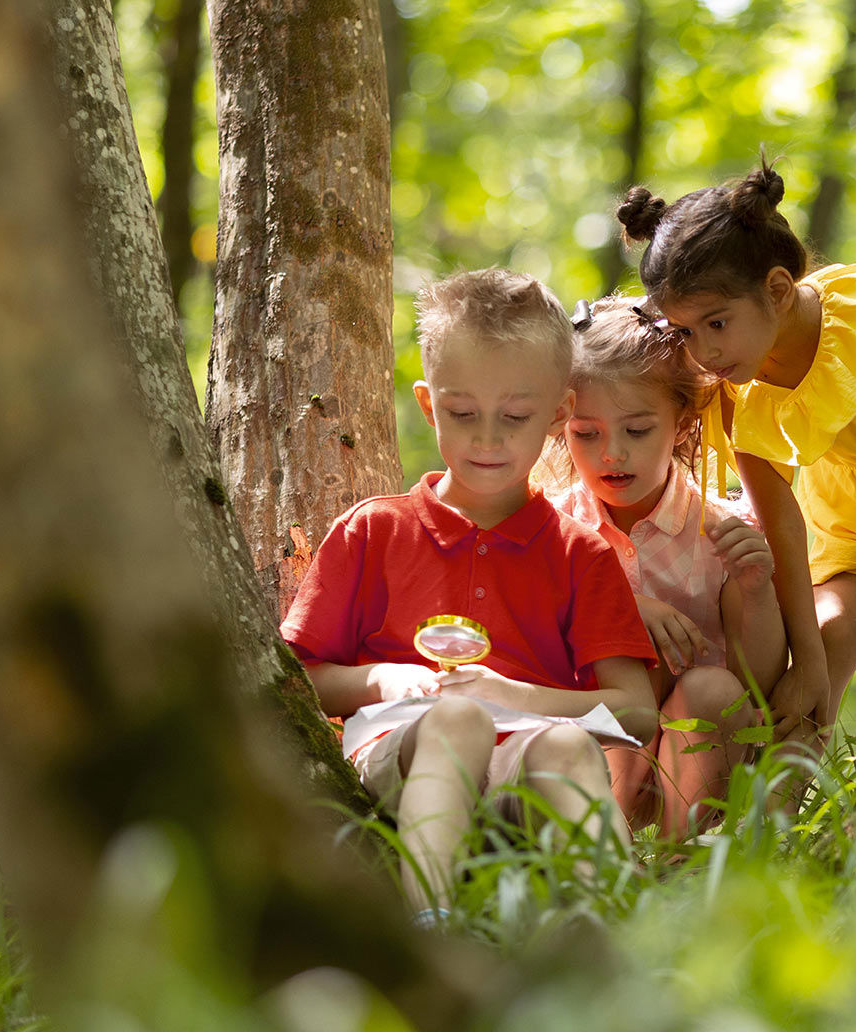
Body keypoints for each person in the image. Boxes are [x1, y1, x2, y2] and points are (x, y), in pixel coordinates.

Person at [280, 268, 658, 919]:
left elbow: (637, 712)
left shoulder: (580, 554)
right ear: (429, 406)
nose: (487, 439)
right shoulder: (373, 530)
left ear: (558, 414)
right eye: (462, 414)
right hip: (408, 744)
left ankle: (623, 938)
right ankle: (432, 930)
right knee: (458, 721)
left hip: (525, 757)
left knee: (568, 746)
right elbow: (297, 681)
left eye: (515, 417)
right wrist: (383, 680)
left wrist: (512, 695)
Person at [615, 160, 856, 737]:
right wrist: (810, 664)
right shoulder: (735, 390)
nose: (703, 352)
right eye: (685, 332)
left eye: (716, 324)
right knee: (825, 643)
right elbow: (781, 522)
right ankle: (785, 793)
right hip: (845, 501)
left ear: (776, 290)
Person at [548, 296, 788, 838]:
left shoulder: (718, 529)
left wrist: (756, 591)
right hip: (596, 758)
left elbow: (760, 681)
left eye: (636, 430)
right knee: (620, 669)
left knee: (712, 689)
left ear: (681, 425)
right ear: (562, 424)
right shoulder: (552, 528)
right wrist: (622, 610)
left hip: (701, 755)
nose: (612, 453)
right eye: (586, 433)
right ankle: (605, 849)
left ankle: (683, 858)